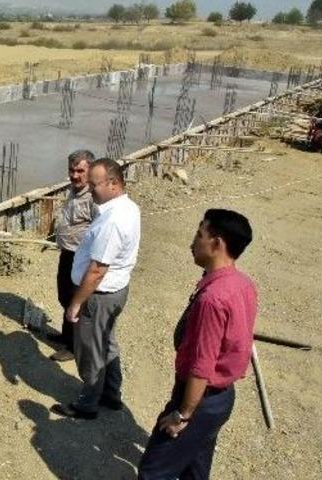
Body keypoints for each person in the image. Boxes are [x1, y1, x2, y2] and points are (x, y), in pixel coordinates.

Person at [138, 209, 257, 480]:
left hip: (200, 400)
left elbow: (202, 366)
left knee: (153, 472)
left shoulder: (212, 299)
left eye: (199, 234)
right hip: (221, 399)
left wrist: (183, 414)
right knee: (195, 468)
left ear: (216, 243)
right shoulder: (242, 283)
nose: (192, 241)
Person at [51, 158, 140, 420]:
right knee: (107, 343)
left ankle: (87, 404)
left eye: (94, 184)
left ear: (113, 183)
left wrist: (76, 303)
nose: (90, 190)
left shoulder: (112, 221)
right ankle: (112, 394)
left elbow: (97, 271)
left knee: (90, 351)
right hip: (116, 291)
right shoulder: (127, 207)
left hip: (99, 296)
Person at [47, 149, 99, 362]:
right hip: (67, 253)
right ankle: (66, 334)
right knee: (64, 296)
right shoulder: (74, 190)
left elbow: (99, 230)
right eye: (71, 170)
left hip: (81, 258)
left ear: (90, 171)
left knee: (74, 299)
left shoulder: (93, 198)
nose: (75, 175)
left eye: (80, 171)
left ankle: (73, 346)